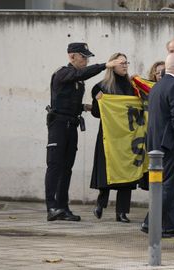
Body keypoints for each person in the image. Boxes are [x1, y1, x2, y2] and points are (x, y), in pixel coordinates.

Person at [45, 42, 122, 222]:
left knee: (66, 168)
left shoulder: (76, 79)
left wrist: (87, 107)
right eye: (84, 57)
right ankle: (52, 207)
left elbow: (66, 100)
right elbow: (80, 74)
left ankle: (62, 207)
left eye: (87, 57)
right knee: (55, 166)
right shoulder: (63, 73)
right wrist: (105, 65)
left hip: (71, 124)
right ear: (72, 56)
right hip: (59, 125)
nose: (86, 60)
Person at [144, 53, 174, 237]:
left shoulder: (158, 86)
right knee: (169, 186)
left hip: (157, 143)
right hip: (171, 144)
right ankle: (150, 222)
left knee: (167, 185)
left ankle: (169, 225)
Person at [90, 53, 141, 223]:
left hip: (127, 136)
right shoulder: (102, 86)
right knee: (107, 170)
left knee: (126, 171)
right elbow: (98, 114)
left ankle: (122, 212)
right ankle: (101, 203)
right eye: (121, 63)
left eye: (126, 62)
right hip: (109, 136)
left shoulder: (132, 86)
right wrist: (98, 102)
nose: (125, 66)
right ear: (112, 65)